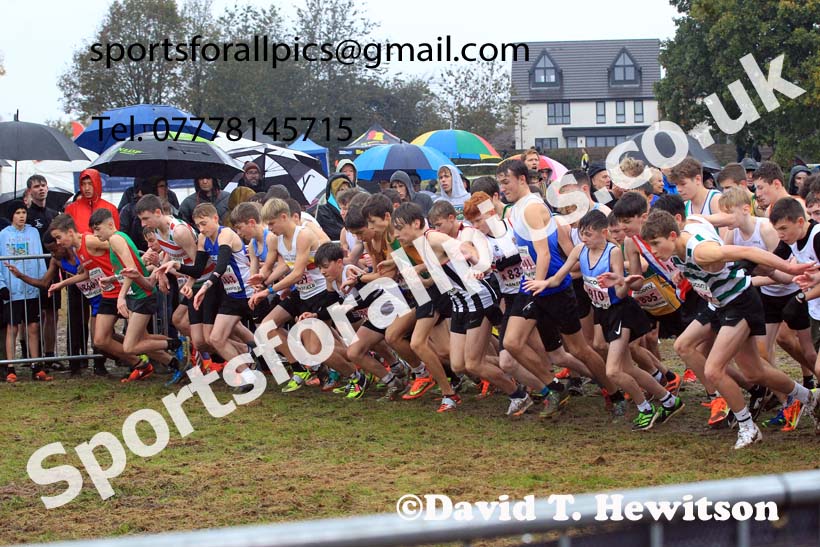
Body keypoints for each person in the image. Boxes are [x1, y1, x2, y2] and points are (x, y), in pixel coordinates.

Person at [641, 208, 819, 448]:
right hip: (717, 303)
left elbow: (749, 251)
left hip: (739, 302)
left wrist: (791, 269)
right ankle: (809, 398)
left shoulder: (702, 251)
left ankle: (747, 426)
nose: (652, 251)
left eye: (655, 244)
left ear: (673, 235)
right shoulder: (688, 226)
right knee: (747, 369)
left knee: (714, 369)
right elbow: (717, 218)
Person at [497, 160, 620, 417]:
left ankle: (614, 391)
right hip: (531, 285)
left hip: (552, 287)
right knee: (511, 342)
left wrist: (541, 284)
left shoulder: (531, 208)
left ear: (522, 179)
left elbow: (543, 253)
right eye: (499, 183)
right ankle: (552, 388)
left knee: (578, 350)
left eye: (506, 181)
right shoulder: (515, 209)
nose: (502, 187)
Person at [543, 210, 685, 429]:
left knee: (613, 371)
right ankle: (669, 401)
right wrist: (542, 284)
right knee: (628, 368)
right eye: (582, 234)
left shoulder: (613, 253)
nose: (584, 239)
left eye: (589, 234)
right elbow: (560, 274)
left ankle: (645, 409)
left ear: (603, 232)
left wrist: (622, 282)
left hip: (620, 311)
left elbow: (620, 292)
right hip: (603, 313)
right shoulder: (580, 250)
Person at [89, 208, 181, 382]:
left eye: (97, 228)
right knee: (143, 339)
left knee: (130, 346)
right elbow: (133, 268)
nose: (95, 234)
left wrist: (121, 296)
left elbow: (131, 270)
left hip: (141, 296)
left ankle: (176, 344)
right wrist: (112, 278)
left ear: (110, 224)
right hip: (138, 294)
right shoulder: (119, 238)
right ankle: (175, 363)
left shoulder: (116, 239)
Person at [0, 201, 47, 382]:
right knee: (13, 327)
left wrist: (42, 283)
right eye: (18, 212)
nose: (22, 216)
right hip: (12, 290)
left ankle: (36, 365)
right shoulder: (3, 235)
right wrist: (2, 285)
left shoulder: (33, 232)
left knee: (33, 326)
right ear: (11, 215)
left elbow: (39, 258)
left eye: (24, 212)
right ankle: (11, 367)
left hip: (31, 289)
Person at [65, 168, 120, 234]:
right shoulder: (71, 209)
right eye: (83, 184)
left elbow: (116, 234)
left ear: (97, 184)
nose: (87, 188)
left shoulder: (111, 208)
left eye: (90, 184)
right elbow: (67, 235)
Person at [316, 173, 353, 241]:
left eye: (347, 189)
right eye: (341, 190)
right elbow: (333, 232)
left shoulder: (355, 207)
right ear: (333, 192)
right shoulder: (323, 211)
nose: (345, 192)